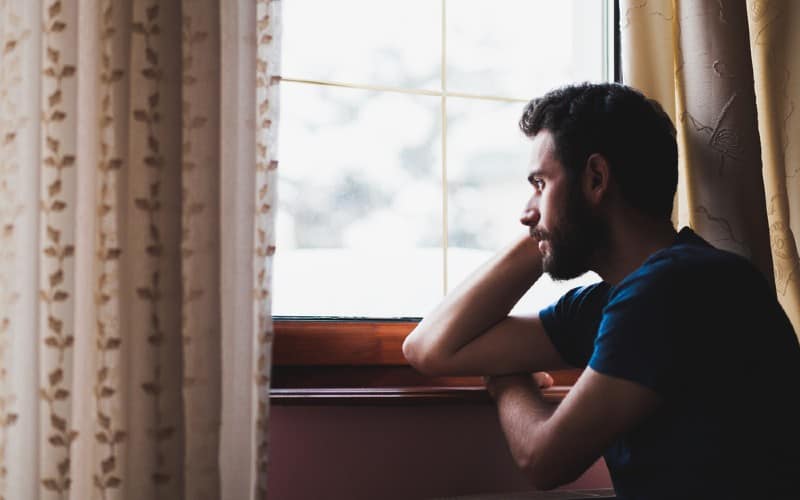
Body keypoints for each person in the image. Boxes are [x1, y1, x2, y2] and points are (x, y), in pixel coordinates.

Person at [402, 82, 800, 499]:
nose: (525, 212)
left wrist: (506, 384)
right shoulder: (615, 299)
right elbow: (429, 348)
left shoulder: (679, 287)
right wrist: (548, 228)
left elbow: (543, 461)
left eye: (540, 184)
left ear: (596, 178)